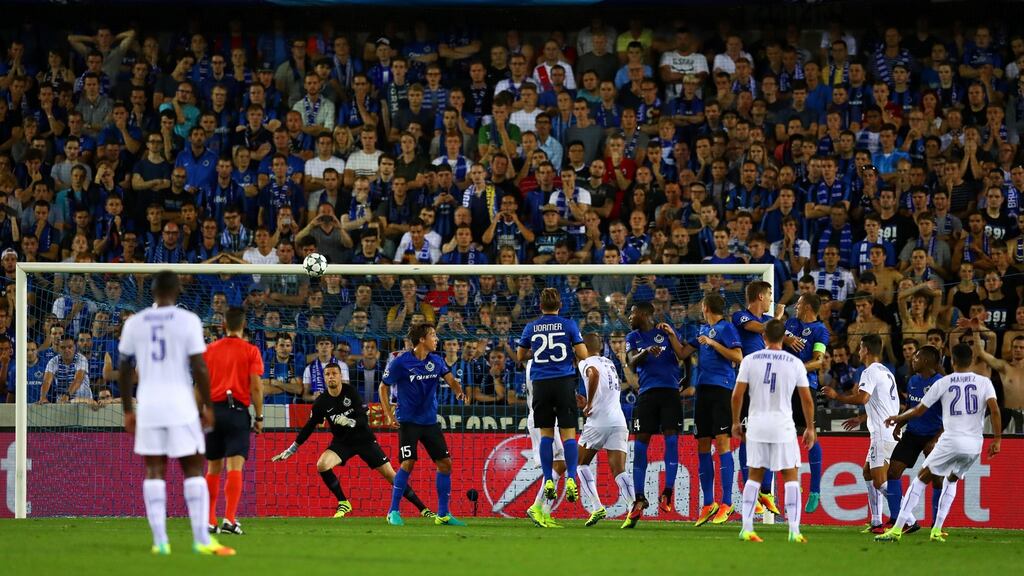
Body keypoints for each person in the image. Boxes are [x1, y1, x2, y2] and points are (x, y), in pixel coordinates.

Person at [117, 271, 234, 556]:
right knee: (193, 469)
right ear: (177, 289)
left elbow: (123, 368)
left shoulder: (135, 322)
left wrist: (128, 410)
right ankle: (202, 541)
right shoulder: (188, 321)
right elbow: (199, 367)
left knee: (154, 471)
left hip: (149, 404)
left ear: (153, 292)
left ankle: (160, 542)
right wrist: (206, 405)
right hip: (180, 403)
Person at [272, 361, 434, 519]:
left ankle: (423, 509)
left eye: (334, 373)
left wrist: (350, 421)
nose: (331, 377)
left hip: (365, 440)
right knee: (322, 465)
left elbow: (363, 419)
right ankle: (343, 502)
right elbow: (309, 426)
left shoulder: (351, 392)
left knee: (391, 476)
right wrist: (292, 448)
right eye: (327, 374)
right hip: (342, 443)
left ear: (340, 376)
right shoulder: (321, 402)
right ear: (324, 378)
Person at [877, 342, 1001, 542]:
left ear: (953, 361)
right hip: (974, 445)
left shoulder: (943, 382)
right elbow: (994, 410)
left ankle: (898, 528)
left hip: (948, 439)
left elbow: (919, 410)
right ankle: (936, 529)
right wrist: (997, 439)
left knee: (919, 480)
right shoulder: (985, 382)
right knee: (951, 480)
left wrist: (898, 419)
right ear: (971, 360)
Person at [732, 319, 816, 543]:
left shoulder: (750, 360)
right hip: (783, 426)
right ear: (783, 338)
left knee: (754, 476)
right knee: (790, 476)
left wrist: (734, 422)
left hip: (757, 424)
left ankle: (747, 528)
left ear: (763, 337)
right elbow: (806, 399)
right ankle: (794, 531)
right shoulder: (794, 362)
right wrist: (810, 427)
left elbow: (737, 395)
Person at [380, 323, 468, 527]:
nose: (436, 339)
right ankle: (393, 510)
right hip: (408, 421)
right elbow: (383, 387)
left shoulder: (436, 360)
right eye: (433, 335)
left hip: (429, 421)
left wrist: (458, 391)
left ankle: (443, 514)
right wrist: (388, 414)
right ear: (422, 340)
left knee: (445, 464)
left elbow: (451, 379)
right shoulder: (400, 362)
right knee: (408, 463)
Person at [516, 288, 589, 507]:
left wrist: (538, 354)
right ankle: (571, 478)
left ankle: (548, 479)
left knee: (546, 434)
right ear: (560, 305)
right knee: (568, 435)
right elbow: (584, 354)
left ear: (540, 306)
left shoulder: (531, 327)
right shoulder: (569, 325)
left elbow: (520, 356)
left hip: (541, 384)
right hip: (564, 382)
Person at [822, 334, 901, 533]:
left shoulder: (869, 371)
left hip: (882, 433)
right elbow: (882, 403)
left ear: (866, 350)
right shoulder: (886, 371)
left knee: (879, 480)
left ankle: (905, 516)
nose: (858, 352)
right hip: (888, 430)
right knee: (867, 473)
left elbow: (863, 397)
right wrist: (861, 419)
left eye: (860, 348)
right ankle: (876, 522)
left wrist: (837, 395)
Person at [621, 301, 684, 528]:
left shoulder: (665, 332)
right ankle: (639, 497)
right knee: (640, 444)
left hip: (670, 393)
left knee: (672, 440)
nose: (629, 316)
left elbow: (684, 353)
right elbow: (630, 361)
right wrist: (645, 352)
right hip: (646, 394)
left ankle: (667, 491)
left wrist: (688, 378)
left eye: (633, 312)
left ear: (645, 314)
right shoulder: (633, 337)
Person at [202, 307, 264, 536]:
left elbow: (201, 385)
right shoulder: (250, 351)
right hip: (237, 411)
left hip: (214, 411)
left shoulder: (209, 350)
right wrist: (259, 417)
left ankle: (209, 521)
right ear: (243, 324)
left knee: (213, 467)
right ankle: (229, 519)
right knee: (234, 466)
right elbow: (256, 386)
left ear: (223, 325)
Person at [685, 293, 744, 526]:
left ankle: (727, 503)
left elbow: (738, 356)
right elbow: (682, 352)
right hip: (703, 392)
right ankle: (709, 503)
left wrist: (712, 343)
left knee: (722, 443)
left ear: (705, 307)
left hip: (722, 390)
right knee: (702, 444)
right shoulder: (700, 330)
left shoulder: (726, 328)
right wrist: (669, 335)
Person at [732, 281, 785, 516]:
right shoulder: (739, 316)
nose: (772, 299)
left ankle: (766, 491)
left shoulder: (767, 323)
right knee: (747, 438)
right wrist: (778, 318)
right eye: (770, 295)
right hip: (749, 385)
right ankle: (752, 494)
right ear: (760, 297)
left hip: (769, 385)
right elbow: (760, 328)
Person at [576, 333, 634, 528]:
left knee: (580, 463)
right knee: (619, 470)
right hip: (618, 421)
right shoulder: (609, 362)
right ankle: (632, 507)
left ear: (584, 347)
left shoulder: (585, 362)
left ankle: (597, 506)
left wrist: (589, 403)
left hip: (598, 421)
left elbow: (594, 374)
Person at [884, 345, 944, 535]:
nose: (913, 360)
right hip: (913, 433)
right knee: (893, 471)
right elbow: (911, 406)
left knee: (937, 479)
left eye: (917, 357)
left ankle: (936, 525)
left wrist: (936, 439)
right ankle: (898, 521)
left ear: (926, 361)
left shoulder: (941, 383)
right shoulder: (912, 380)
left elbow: (950, 416)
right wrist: (900, 425)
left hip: (934, 434)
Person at [784, 293, 829, 513]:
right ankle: (780, 489)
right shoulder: (790, 323)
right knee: (781, 433)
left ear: (808, 307)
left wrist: (797, 368)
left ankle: (815, 490)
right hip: (782, 385)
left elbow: (819, 361)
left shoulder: (820, 330)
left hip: (804, 385)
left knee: (808, 435)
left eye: (799, 304)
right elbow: (773, 334)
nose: (796, 307)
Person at [524, 358, 568, 528]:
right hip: (541, 418)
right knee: (560, 463)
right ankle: (537, 507)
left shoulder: (535, 363)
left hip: (545, 417)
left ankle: (545, 511)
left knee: (560, 464)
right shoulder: (538, 364)